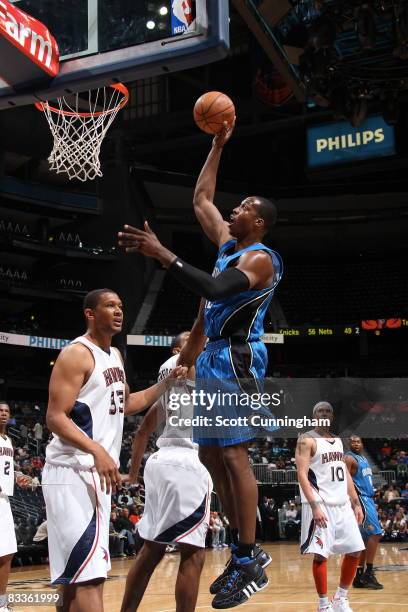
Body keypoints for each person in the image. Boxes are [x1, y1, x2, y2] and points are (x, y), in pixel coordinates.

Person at [119, 121, 282, 609]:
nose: (230, 212)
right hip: (210, 356)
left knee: (233, 456)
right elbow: (200, 200)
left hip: (236, 357)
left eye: (242, 209)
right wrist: (217, 144)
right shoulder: (230, 246)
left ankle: (250, 555)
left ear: (258, 221)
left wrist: (163, 254)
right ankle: (239, 547)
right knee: (210, 458)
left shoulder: (260, 260)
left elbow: (213, 293)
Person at [42, 288, 185, 612]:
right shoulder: (76, 354)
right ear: (90, 314)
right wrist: (99, 452)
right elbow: (54, 416)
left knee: (74, 579)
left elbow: (128, 404)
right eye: (110, 305)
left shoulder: (116, 357)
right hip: (72, 472)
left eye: (121, 305)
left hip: (93, 474)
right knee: (89, 578)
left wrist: (166, 384)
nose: (118, 310)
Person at [121, 331, 212, 612]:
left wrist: (133, 475)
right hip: (185, 464)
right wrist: (210, 305)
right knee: (193, 555)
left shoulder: (170, 391)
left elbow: (142, 432)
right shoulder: (185, 364)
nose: (201, 344)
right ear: (176, 351)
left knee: (152, 549)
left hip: (160, 463)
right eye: (192, 341)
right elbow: (198, 343)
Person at [295, 402, 365, 612]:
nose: (323, 414)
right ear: (314, 415)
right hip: (321, 504)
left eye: (327, 411)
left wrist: (356, 502)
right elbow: (301, 475)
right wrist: (315, 507)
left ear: (332, 417)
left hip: (342, 504)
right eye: (319, 411)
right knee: (321, 555)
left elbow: (344, 475)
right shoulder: (305, 439)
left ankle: (340, 599)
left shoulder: (337, 441)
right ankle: (323, 604)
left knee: (355, 550)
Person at [0, 402, 31, 612]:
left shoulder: (8, 440)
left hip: (4, 499)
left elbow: (6, 469)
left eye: (6, 412)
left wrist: (18, 477)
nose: (3, 414)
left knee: (7, 553)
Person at [345, 436, 384, 590]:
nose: (356, 443)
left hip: (367, 497)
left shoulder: (363, 459)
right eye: (353, 441)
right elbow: (345, 482)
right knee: (376, 534)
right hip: (360, 499)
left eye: (358, 441)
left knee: (363, 538)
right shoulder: (348, 458)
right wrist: (352, 502)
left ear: (362, 444)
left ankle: (359, 576)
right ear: (349, 444)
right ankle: (368, 573)